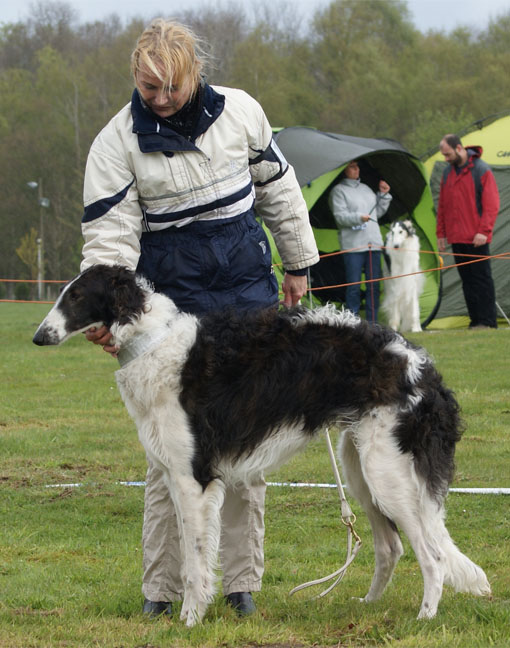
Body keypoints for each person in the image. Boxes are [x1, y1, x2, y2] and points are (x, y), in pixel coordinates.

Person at [80, 18, 319, 618]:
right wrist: (108, 314)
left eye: (172, 86)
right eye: (149, 87)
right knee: (169, 456)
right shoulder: (115, 144)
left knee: (246, 447)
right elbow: (110, 241)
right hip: (173, 313)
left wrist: (298, 263)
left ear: (196, 73)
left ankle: (240, 584)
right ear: (135, 78)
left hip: (249, 299)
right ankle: (162, 590)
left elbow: (280, 190)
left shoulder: (242, 112)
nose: (160, 98)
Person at [436, 134, 500, 329]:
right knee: (467, 281)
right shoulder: (447, 173)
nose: (446, 158)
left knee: (482, 280)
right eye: (444, 155)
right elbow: (443, 205)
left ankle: (488, 321)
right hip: (457, 237)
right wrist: (441, 233)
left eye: (448, 154)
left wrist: (484, 231)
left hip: (477, 238)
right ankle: (475, 321)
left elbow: (492, 204)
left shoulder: (481, 169)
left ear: (459, 148)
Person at [328, 160, 392, 322]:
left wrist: (383, 196)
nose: (356, 169)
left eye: (357, 166)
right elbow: (340, 217)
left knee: (374, 286)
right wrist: (359, 218)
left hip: (373, 244)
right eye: (352, 166)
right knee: (354, 286)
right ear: (344, 170)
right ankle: (353, 323)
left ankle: (373, 324)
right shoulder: (338, 191)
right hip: (353, 247)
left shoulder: (366, 189)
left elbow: (376, 214)